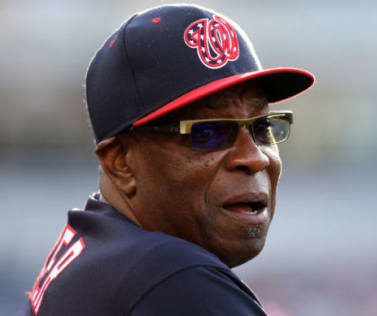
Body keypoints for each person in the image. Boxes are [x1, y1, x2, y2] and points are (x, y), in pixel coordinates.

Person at [22, 4, 314, 315]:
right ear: (121, 162)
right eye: (209, 132)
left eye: (262, 127)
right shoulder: (175, 279)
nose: (254, 158)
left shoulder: (101, 250)